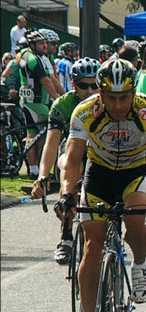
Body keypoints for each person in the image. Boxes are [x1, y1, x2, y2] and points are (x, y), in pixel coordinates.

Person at [54, 58, 146, 312]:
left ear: (133, 93)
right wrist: (67, 192)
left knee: (134, 220)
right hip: (100, 171)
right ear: (101, 94)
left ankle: (139, 266)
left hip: (136, 170)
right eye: (112, 98)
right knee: (93, 243)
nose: (118, 105)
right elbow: (73, 160)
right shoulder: (85, 112)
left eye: (124, 97)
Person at [32, 57, 101, 263]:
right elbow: (51, 143)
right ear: (73, 85)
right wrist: (43, 175)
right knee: (69, 167)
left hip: (99, 150)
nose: (89, 91)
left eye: (94, 85)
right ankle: (66, 235)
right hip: (72, 149)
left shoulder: (108, 102)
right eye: (83, 86)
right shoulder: (62, 104)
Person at [18, 30, 65, 177]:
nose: (45, 45)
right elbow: (46, 81)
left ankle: (34, 168)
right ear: (32, 45)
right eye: (41, 43)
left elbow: (52, 78)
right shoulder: (33, 59)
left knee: (33, 132)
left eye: (45, 42)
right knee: (48, 130)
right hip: (35, 101)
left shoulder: (38, 56)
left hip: (32, 101)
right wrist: (57, 99)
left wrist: (65, 95)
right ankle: (34, 166)